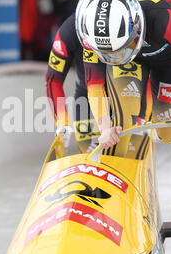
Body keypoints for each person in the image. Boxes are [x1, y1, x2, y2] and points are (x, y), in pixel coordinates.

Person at [75, 0, 171, 156]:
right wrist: (104, 129)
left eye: (117, 48)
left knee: (169, 134)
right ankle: (115, 167)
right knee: (123, 119)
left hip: (170, 64)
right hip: (132, 61)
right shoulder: (89, 37)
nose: (113, 54)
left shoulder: (164, 20)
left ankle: (148, 119)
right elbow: (94, 85)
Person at [45, 13, 149, 156]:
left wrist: (146, 112)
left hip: (127, 93)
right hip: (88, 97)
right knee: (91, 154)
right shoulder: (68, 32)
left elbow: (150, 68)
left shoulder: (132, 26)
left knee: (127, 154)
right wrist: (62, 122)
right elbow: (53, 80)